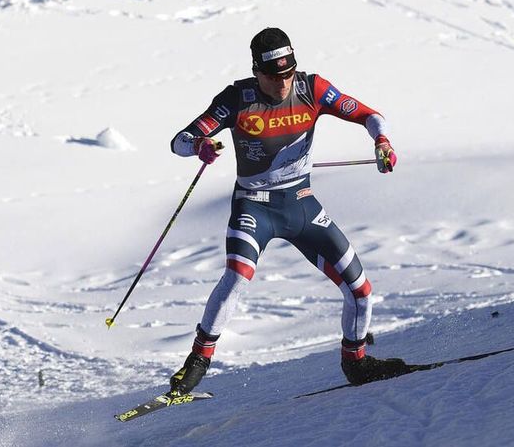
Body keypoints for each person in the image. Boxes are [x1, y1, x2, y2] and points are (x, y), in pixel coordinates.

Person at [166, 27, 406, 394]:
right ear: (256, 72)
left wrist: (382, 142)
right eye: (274, 77)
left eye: (288, 74)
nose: (283, 84)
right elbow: (178, 142)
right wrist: (200, 145)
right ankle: (197, 363)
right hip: (254, 205)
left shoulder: (313, 89)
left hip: (301, 204)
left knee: (361, 290)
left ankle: (356, 363)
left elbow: (370, 115)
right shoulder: (237, 98)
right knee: (237, 276)